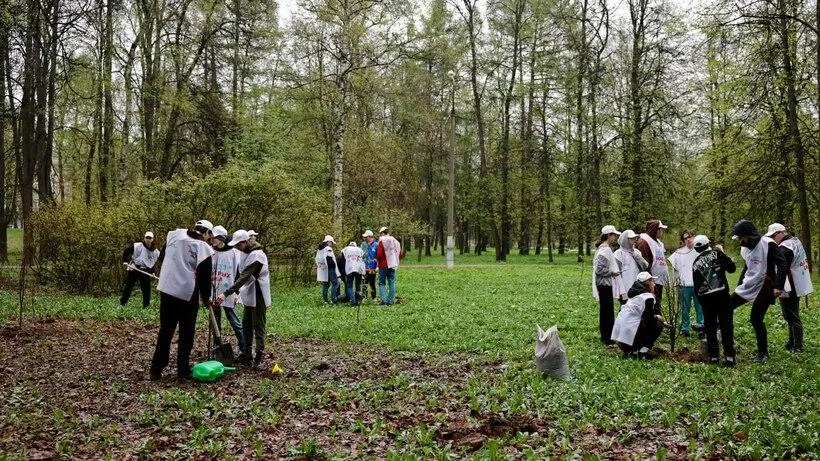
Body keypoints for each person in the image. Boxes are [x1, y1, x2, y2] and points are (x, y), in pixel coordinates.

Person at [149, 220, 214, 381]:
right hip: (187, 294)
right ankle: (182, 370)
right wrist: (206, 298)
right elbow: (205, 278)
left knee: (166, 330)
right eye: (209, 236)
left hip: (167, 289)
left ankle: (156, 369)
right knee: (186, 333)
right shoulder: (204, 248)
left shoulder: (175, 235)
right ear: (206, 233)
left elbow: (163, 257)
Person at [728, 219, 787, 363]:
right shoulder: (745, 249)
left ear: (749, 235)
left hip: (765, 287)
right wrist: (739, 287)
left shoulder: (768, 244)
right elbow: (748, 268)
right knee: (727, 306)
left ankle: (763, 353)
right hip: (749, 284)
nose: (741, 241)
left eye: (742, 238)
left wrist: (778, 286)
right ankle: (724, 339)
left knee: (755, 318)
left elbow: (782, 264)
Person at [215, 229, 271, 368]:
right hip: (249, 291)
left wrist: (226, 293)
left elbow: (245, 275)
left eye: (239, 245)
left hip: (259, 292)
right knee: (246, 324)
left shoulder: (257, 255)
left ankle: (258, 355)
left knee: (258, 325)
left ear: (246, 242)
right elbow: (238, 273)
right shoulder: (243, 253)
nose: (237, 248)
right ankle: (246, 354)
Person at [765, 223, 813, 352]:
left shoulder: (785, 247)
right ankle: (791, 342)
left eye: (774, 236)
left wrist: (777, 285)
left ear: (781, 233)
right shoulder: (795, 241)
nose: (773, 239)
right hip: (797, 281)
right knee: (790, 315)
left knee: (791, 315)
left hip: (790, 284)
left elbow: (781, 266)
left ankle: (798, 346)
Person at [692, 235, 737, 366]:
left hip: (706, 299)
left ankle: (713, 357)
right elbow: (732, 268)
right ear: (708, 244)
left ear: (696, 248)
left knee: (710, 328)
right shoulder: (717, 254)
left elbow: (696, 285)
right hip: (722, 296)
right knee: (726, 327)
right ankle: (729, 357)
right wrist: (723, 253)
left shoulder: (695, 262)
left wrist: (701, 301)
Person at [611, 272, 666, 359]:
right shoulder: (648, 297)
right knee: (658, 325)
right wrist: (658, 318)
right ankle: (642, 351)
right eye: (652, 281)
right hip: (629, 339)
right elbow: (649, 319)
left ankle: (631, 349)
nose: (654, 284)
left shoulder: (634, 295)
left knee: (645, 322)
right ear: (647, 283)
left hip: (619, 336)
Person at [209, 225, 244, 352]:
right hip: (213, 292)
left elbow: (239, 273)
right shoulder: (210, 251)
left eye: (215, 238)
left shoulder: (234, 253)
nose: (212, 240)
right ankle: (217, 348)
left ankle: (243, 348)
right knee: (215, 323)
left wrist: (236, 292)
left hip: (228, 292)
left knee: (235, 322)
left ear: (221, 238)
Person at [593, 225, 626, 345]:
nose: (615, 238)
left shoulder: (605, 248)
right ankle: (607, 337)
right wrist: (612, 272)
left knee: (607, 310)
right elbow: (599, 270)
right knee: (607, 311)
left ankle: (607, 336)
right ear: (608, 235)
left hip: (605, 284)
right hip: (604, 284)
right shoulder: (604, 250)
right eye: (614, 235)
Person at [669, 230, 704, 337]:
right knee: (684, 309)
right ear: (683, 240)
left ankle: (702, 328)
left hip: (699, 285)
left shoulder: (700, 251)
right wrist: (676, 282)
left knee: (700, 308)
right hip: (684, 286)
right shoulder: (679, 252)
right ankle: (685, 329)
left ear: (694, 237)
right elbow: (675, 269)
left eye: (690, 236)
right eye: (685, 238)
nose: (688, 239)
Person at [119, 231, 160, 309]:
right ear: (144, 238)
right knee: (128, 287)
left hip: (145, 270)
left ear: (153, 239)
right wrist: (125, 261)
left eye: (150, 238)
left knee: (146, 289)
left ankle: (146, 305)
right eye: (146, 238)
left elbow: (150, 262)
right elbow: (126, 251)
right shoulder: (138, 246)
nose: (148, 239)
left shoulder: (155, 251)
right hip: (134, 268)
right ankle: (122, 303)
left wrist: (153, 272)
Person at [636, 219, 670, 307]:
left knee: (657, 303)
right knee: (651, 304)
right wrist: (649, 279)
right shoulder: (644, 242)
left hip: (658, 280)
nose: (661, 232)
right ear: (655, 230)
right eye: (660, 229)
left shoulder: (657, 242)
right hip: (650, 281)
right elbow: (644, 263)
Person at [613, 229, 649, 302]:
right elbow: (617, 274)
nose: (634, 240)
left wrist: (635, 255)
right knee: (625, 307)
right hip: (624, 286)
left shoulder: (637, 252)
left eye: (635, 238)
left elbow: (645, 266)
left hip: (637, 286)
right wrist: (619, 289)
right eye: (631, 239)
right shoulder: (618, 254)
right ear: (625, 240)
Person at [376, 227, 401, 306]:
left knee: (382, 283)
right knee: (392, 282)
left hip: (383, 265)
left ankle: (383, 300)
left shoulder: (382, 240)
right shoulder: (395, 241)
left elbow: (379, 254)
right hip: (392, 264)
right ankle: (390, 301)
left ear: (382, 233)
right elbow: (398, 251)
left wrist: (377, 261)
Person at [315, 235, 340, 304]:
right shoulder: (328, 248)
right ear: (328, 242)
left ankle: (325, 300)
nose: (332, 244)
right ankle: (333, 300)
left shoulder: (320, 249)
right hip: (330, 269)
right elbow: (329, 259)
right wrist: (334, 266)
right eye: (331, 242)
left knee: (326, 285)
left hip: (323, 269)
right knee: (335, 284)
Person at [341, 241, 364, 306]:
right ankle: (357, 300)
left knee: (349, 286)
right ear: (356, 246)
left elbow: (342, 261)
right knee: (358, 285)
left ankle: (353, 300)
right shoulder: (360, 250)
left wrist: (343, 271)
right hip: (358, 269)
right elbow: (362, 260)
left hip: (349, 268)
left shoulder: (345, 249)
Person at [360, 230, 378, 303]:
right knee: (364, 283)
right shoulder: (363, 244)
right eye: (364, 237)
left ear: (370, 237)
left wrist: (377, 266)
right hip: (364, 267)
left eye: (366, 237)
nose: (364, 238)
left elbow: (378, 257)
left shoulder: (376, 245)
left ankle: (374, 298)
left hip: (372, 268)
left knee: (372, 283)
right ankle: (364, 297)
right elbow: (360, 255)